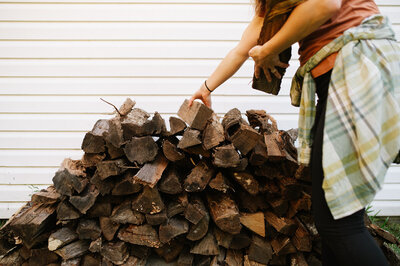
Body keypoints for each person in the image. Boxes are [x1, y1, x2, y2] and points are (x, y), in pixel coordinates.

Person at [189, 0, 400, 265]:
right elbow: (242, 50)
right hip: (343, 79)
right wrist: (207, 87)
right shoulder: (276, 8)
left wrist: (269, 49)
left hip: (351, 73)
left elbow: (325, 5)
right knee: (336, 219)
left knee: (339, 224)